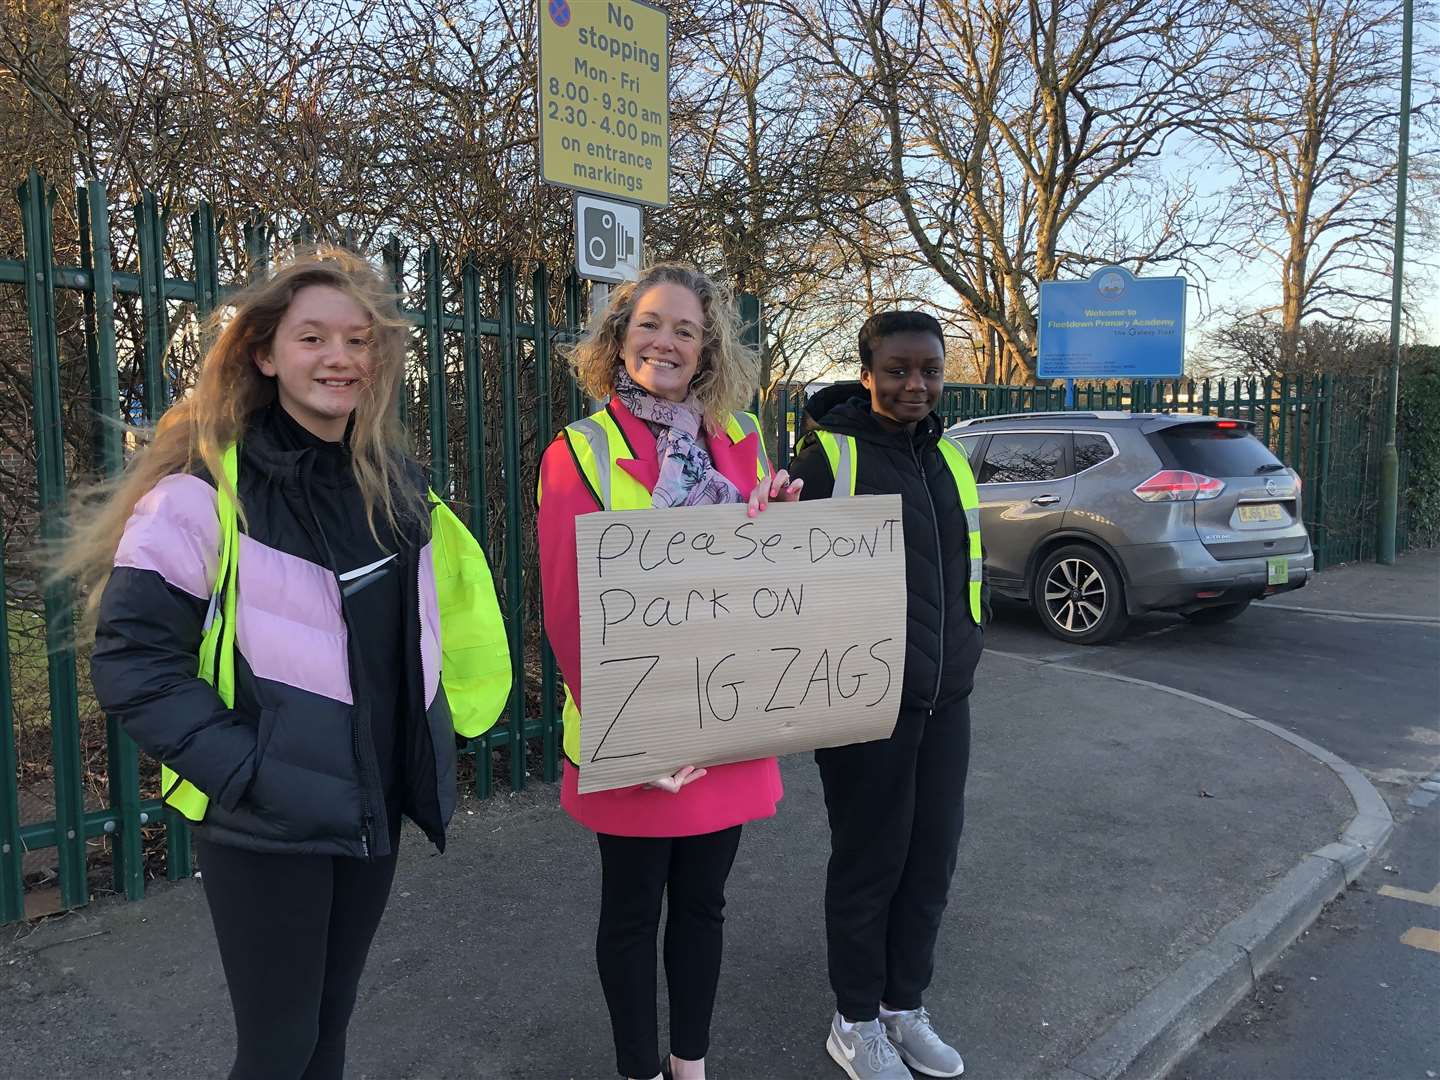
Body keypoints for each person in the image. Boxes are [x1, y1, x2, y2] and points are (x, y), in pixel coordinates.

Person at [70, 249, 511, 1080]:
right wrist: (252, 771)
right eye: (313, 338)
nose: (339, 357)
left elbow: (429, 626)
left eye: (357, 340)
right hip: (267, 823)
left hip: (371, 805)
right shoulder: (202, 492)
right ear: (265, 354)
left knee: (330, 1027)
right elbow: (132, 664)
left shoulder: (398, 485)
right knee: (277, 1049)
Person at [537, 263, 800, 1080]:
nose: (667, 341)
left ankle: (690, 1065)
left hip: (726, 723)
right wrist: (639, 738)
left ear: (708, 347)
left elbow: (761, 581)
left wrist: (784, 528)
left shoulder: (746, 440)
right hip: (637, 738)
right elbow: (567, 608)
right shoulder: (579, 450)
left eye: (686, 329)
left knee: (703, 906)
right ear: (619, 337)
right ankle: (638, 1070)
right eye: (651, 323)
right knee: (630, 914)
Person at [787, 311, 985, 1080]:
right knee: (872, 860)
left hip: (947, 697)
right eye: (898, 370)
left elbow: (962, 569)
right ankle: (855, 1020)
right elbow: (768, 562)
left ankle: (905, 1006)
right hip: (863, 699)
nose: (916, 385)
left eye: (930, 370)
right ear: (866, 372)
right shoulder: (828, 455)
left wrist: (966, 647)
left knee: (931, 857)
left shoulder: (951, 459)